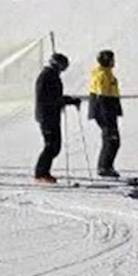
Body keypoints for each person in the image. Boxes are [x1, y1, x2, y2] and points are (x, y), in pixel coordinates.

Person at [34, 53, 81, 184]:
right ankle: (41, 173)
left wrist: (68, 100)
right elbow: (47, 97)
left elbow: (55, 96)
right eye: (63, 66)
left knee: (55, 146)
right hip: (47, 115)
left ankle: (43, 172)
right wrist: (65, 101)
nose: (64, 69)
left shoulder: (52, 75)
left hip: (52, 114)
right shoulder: (47, 76)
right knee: (51, 145)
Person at [87, 50, 123, 178]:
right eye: (112, 59)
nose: (114, 62)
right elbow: (101, 96)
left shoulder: (107, 73)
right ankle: (104, 167)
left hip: (109, 109)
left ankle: (107, 166)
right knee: (111, 139)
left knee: (112, 140)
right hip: (105, 111)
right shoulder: (102, 75)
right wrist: (106, 113)